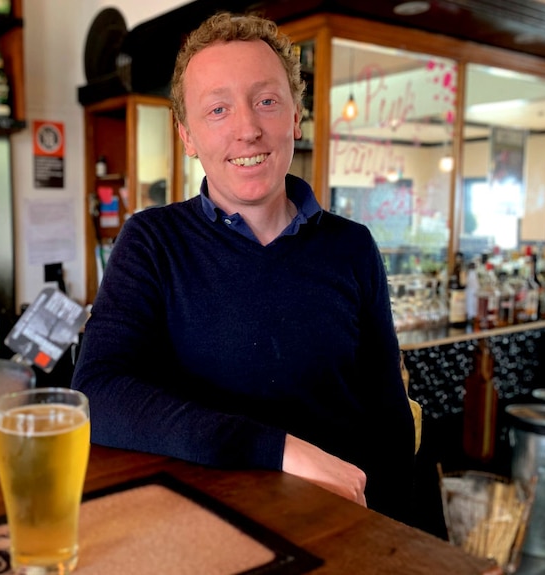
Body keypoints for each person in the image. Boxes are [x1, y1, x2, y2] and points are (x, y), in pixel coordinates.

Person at [71, 12, 416, 522]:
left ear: (296, 117)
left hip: (339, 526)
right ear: (187, 136)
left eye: (267, 101)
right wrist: (276, 449)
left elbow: (390, 426)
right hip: (204, 530)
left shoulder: (353, 247)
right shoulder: (150, 242)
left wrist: (390, 539)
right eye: (217, 109)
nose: (248, 129)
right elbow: (95, 394)